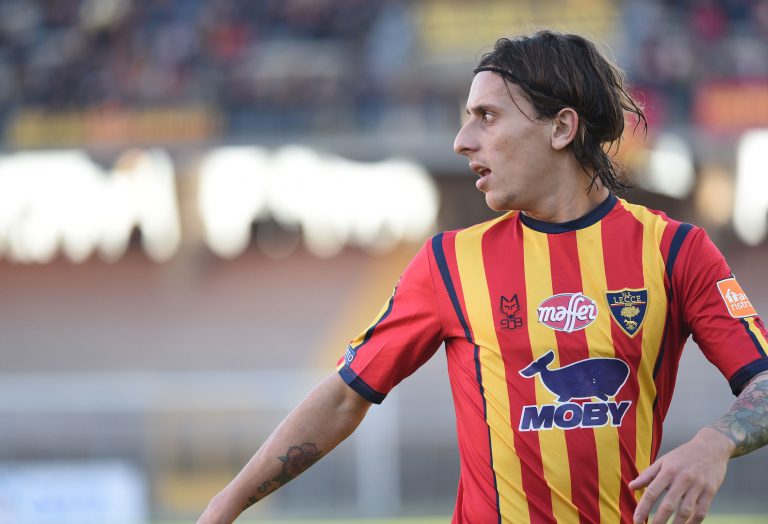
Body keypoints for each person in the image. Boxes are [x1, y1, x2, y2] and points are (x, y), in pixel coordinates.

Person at [198, 30, 768, 524]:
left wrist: (713, 444)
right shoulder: (449, 263)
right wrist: (226, 505)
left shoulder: (674, 251)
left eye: (487, 117)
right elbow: (345, 397)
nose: (462, 140)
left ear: (561, 128)